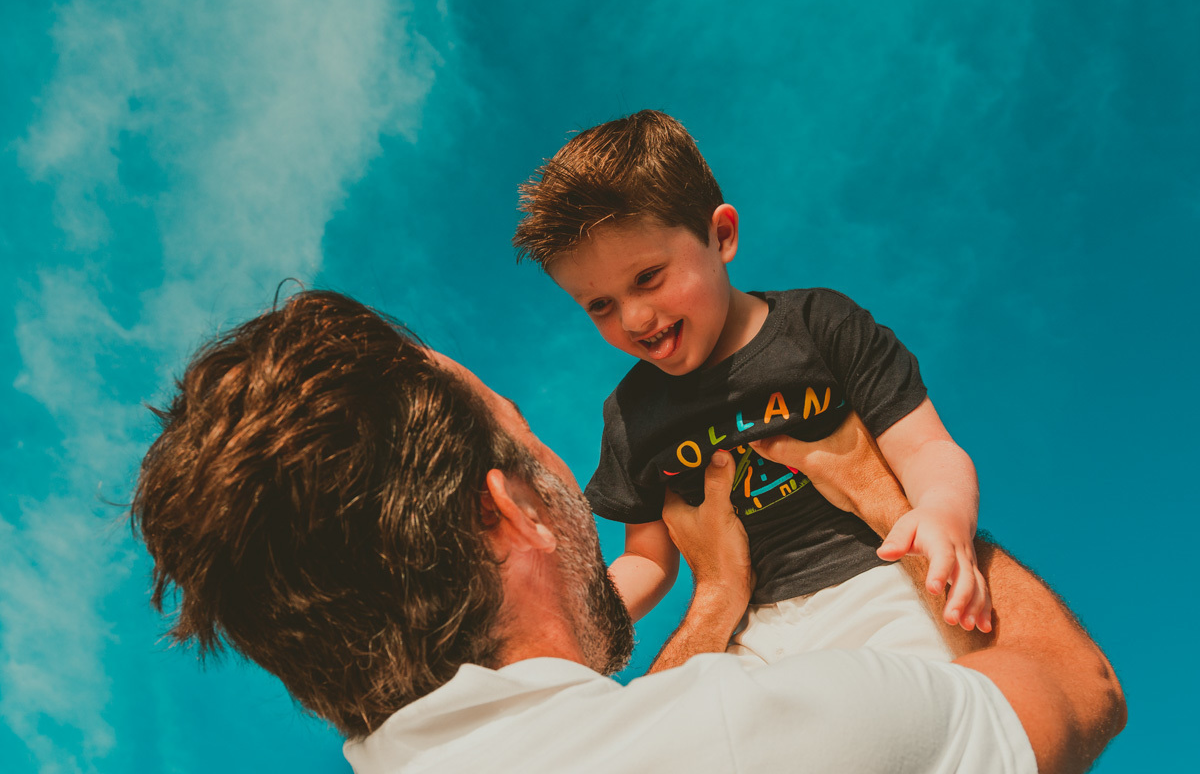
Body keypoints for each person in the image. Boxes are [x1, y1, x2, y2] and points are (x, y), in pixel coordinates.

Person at [132, 290, 1124, 773]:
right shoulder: (750, 736)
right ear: (502, 508)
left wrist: (720, 599)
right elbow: (1077, 686)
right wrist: (881, 498)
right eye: (526, 437)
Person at [512, 110, 988, 667]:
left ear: (721, 235)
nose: (636, 318)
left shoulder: (821, 326)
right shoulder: (629, 413)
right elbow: (648, 557)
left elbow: (926, 446)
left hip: (878, 584)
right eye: (601, 306)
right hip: (751, 629)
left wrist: (943, 512)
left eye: (648, 278)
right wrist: (575, 615)